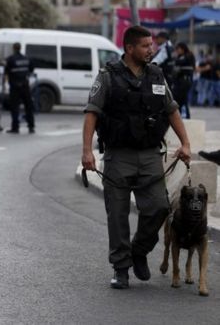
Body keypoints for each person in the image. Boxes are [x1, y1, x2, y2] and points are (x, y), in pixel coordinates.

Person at [81, 25, 192, 290]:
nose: (151, 50)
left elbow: (172, 109)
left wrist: (186, 143)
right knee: (117, 213)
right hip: (119, 155)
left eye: (151, 45)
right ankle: (121, 268)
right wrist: (87, 151)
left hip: (150, 154)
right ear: (129, 48)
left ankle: (138, 250)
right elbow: (91, 112)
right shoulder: (107, 76)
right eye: (145, 46)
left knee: (159, 207)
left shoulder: (156, 75)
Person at [4, 42, 35, 134]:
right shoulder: (27, 58)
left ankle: (15, 127)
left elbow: (7, 72)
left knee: (15, 107)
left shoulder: (10, 59)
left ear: (13, 48)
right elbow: (31, 69)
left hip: (15, 86)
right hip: (25, 86)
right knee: (28, 107)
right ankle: (31, 126)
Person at [171, 42, 195, 119]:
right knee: (178, 100)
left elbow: (180, 62)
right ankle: (180, 115)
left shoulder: (188, 56)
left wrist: (175, 60)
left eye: (178, 49)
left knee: (183, 99)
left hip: (185, 81)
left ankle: (185, 116)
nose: (177, 51)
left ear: (183, 48)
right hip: (179, 81)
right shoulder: (180, 56)